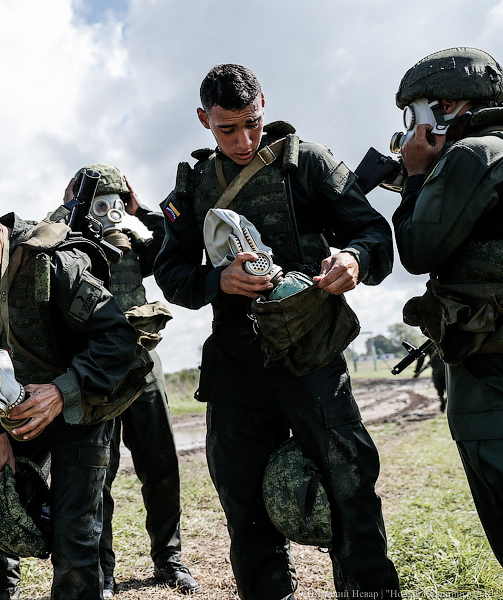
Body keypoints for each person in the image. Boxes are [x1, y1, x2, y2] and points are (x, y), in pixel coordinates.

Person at [153, 64, 400, 598]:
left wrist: (355, 259)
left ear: (264, 104)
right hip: (237, 366)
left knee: (349, 485)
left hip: (311, 354)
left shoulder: (305, 162)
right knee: (245, 507)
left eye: (253, 123)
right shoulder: (194, 185)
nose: (243, 140)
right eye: (227, 129)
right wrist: (219, 279)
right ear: (203, 120)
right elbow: (170, 273)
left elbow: (373, 232)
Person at [0, 190, 139, 600]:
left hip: (81, 409)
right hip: (16, 412)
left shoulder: (55, 261)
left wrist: (62, 392)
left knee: (74, 536)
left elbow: (117, 338)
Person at [54, 164, 197, 597]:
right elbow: (34, 250)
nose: (109, 211)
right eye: (100, 202)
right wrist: (67, 211)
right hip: (98, 370)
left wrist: (141, 210)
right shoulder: (67, 247)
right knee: (100, 475)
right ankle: (104, 572)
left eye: (116, 201)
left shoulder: (134, 243)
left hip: (144, 365)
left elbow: (177, 244)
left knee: (161, 466)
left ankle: (169, 559)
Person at [391, 47, 503, 565]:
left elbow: (418, 250)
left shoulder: (472, 154)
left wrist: (415, 178)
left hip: (490, 375)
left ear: (450, 106)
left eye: (419, 111)